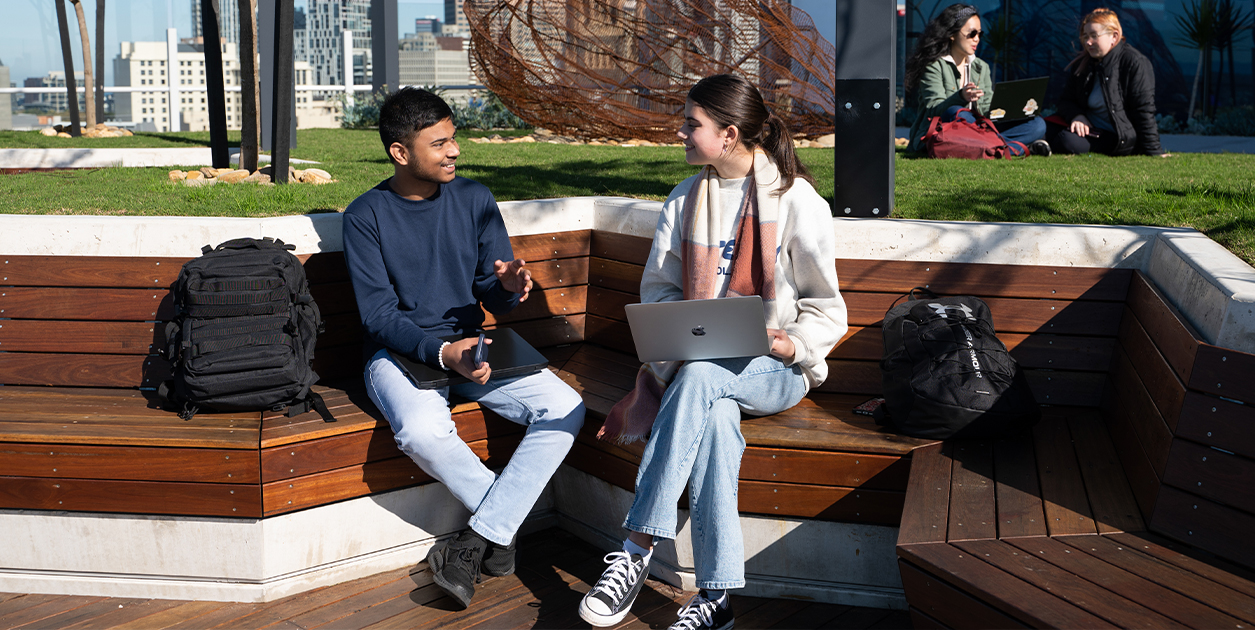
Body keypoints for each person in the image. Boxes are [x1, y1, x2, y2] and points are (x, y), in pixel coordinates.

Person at [576, 74, 847, 630]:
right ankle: (717, 598)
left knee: (701, 377)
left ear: (727, 134)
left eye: (690, 124)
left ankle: (635, 546)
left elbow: (826, 305)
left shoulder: (795, 200)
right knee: (714, 415)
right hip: (702, 372)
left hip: (774, 368)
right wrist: (682, 332)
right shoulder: (684, 199)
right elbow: (660, 291)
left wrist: (785, 341)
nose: (679, 131)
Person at [341, 87, 585, 610]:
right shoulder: (366, 215)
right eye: (439, 143)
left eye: (454, 139)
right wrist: (441, 354)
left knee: (565, 406)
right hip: (398, 353)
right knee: (422, 433)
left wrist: (512, 286)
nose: (454, 151)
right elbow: (378, 317)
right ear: (400, 153)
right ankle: (502, 526)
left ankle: (479, 539)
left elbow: (491, 287)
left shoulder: (475, 199)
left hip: (475, 346)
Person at [904, 3, 1050, 156]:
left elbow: (986, 108)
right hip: (947, 128)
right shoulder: (934, 67)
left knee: (1037, 124)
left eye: (980, 34)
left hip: (979, 128)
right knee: (957, 112)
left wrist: (1011, 109)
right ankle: (1012, 148)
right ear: (952, 34)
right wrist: (960, 97)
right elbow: (933, 109)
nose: (977, 39)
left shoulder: (981, 67)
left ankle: (991, 149)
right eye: (972, 33)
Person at [1049, 8, 1168, 157]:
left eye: (1094, 36)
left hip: (1116, 137)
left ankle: (1042, 144)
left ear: (1114, 36)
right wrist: (1077, 116)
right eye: (1085, 36)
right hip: (1087, 128)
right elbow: (1066, 101)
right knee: (1041, 126)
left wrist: (1154, 151)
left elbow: (1143, 110)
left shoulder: (1134, 62)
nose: (1088, 42)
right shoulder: (1084, 64)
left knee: (1066, 140)